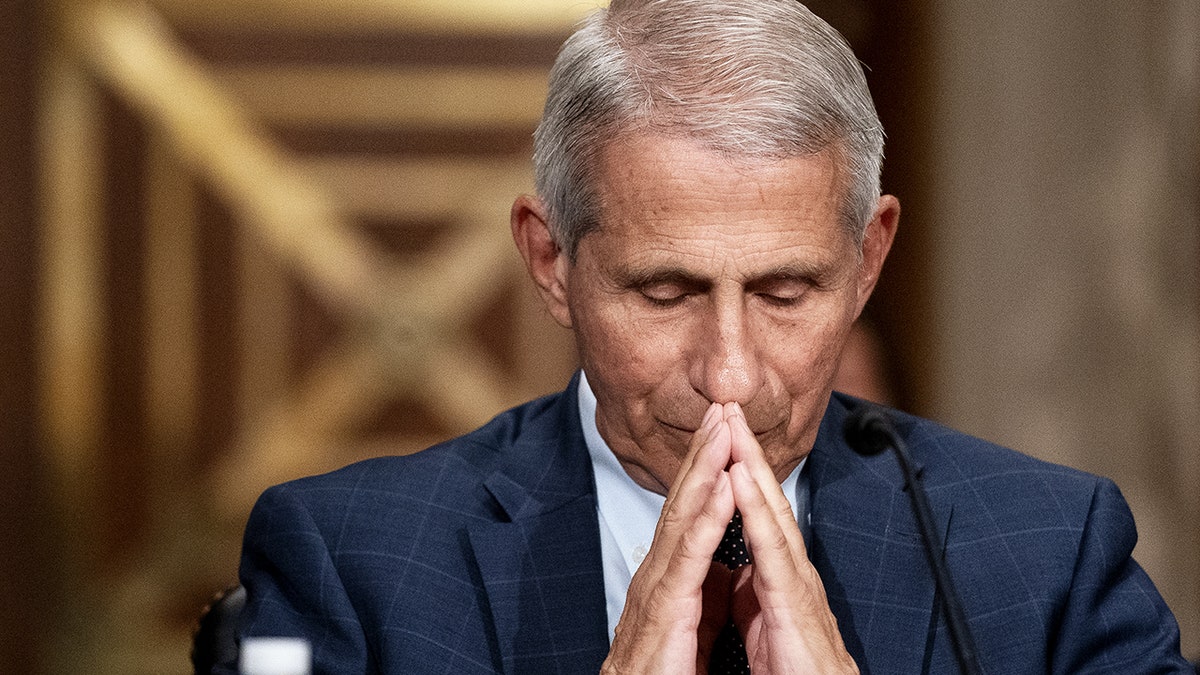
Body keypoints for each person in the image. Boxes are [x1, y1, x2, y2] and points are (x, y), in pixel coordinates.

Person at [231, 0, 1191, 672]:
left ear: (868, 260)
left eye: (785, 291)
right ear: (550, 260)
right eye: (663, 290)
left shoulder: (1046, 555)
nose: (729, 374)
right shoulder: (349, 564)